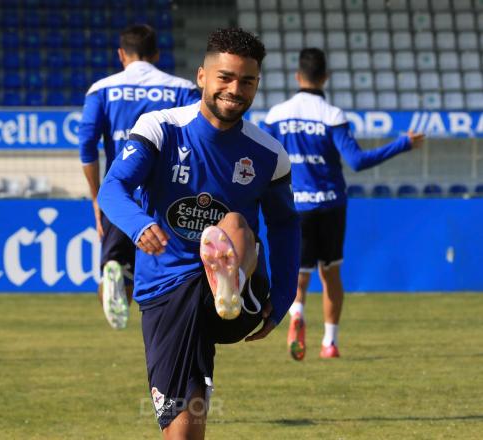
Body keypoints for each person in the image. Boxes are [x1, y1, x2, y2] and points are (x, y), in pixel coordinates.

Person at [98, 28, 300, 438]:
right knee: (185, 422)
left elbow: (285, 226)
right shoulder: (161, 128)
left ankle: (230, 282)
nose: (235, 89)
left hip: (237, 299)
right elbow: (111, 188)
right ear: (202, 77)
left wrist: (281, 300)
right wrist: (141, 225)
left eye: (247, 81)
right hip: (167, 291)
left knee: (233, 224)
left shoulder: (269, 154)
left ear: (257, 84)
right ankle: (221, 278)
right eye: (225, 77)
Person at [263, 48, 425, 360]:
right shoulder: (332, 115)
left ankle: (296, 311)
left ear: (298, 76)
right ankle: (330, 342)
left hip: (296, 205)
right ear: (325, 77)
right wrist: (402, 144)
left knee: (299, 273)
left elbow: (267, 156)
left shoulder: (276, 115)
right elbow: (358, 161)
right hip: (330, 205)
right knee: (331, 274)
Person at [78, 24, 201, 330]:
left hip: (121, 193)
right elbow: (198, 137)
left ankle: (114, 270)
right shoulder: (182, 88)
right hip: (168, 194)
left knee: (115, 262)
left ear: (121, 54)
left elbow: (87, 144)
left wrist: (97, 198)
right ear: (156, 54)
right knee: (172, 266)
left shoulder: (102, 89)